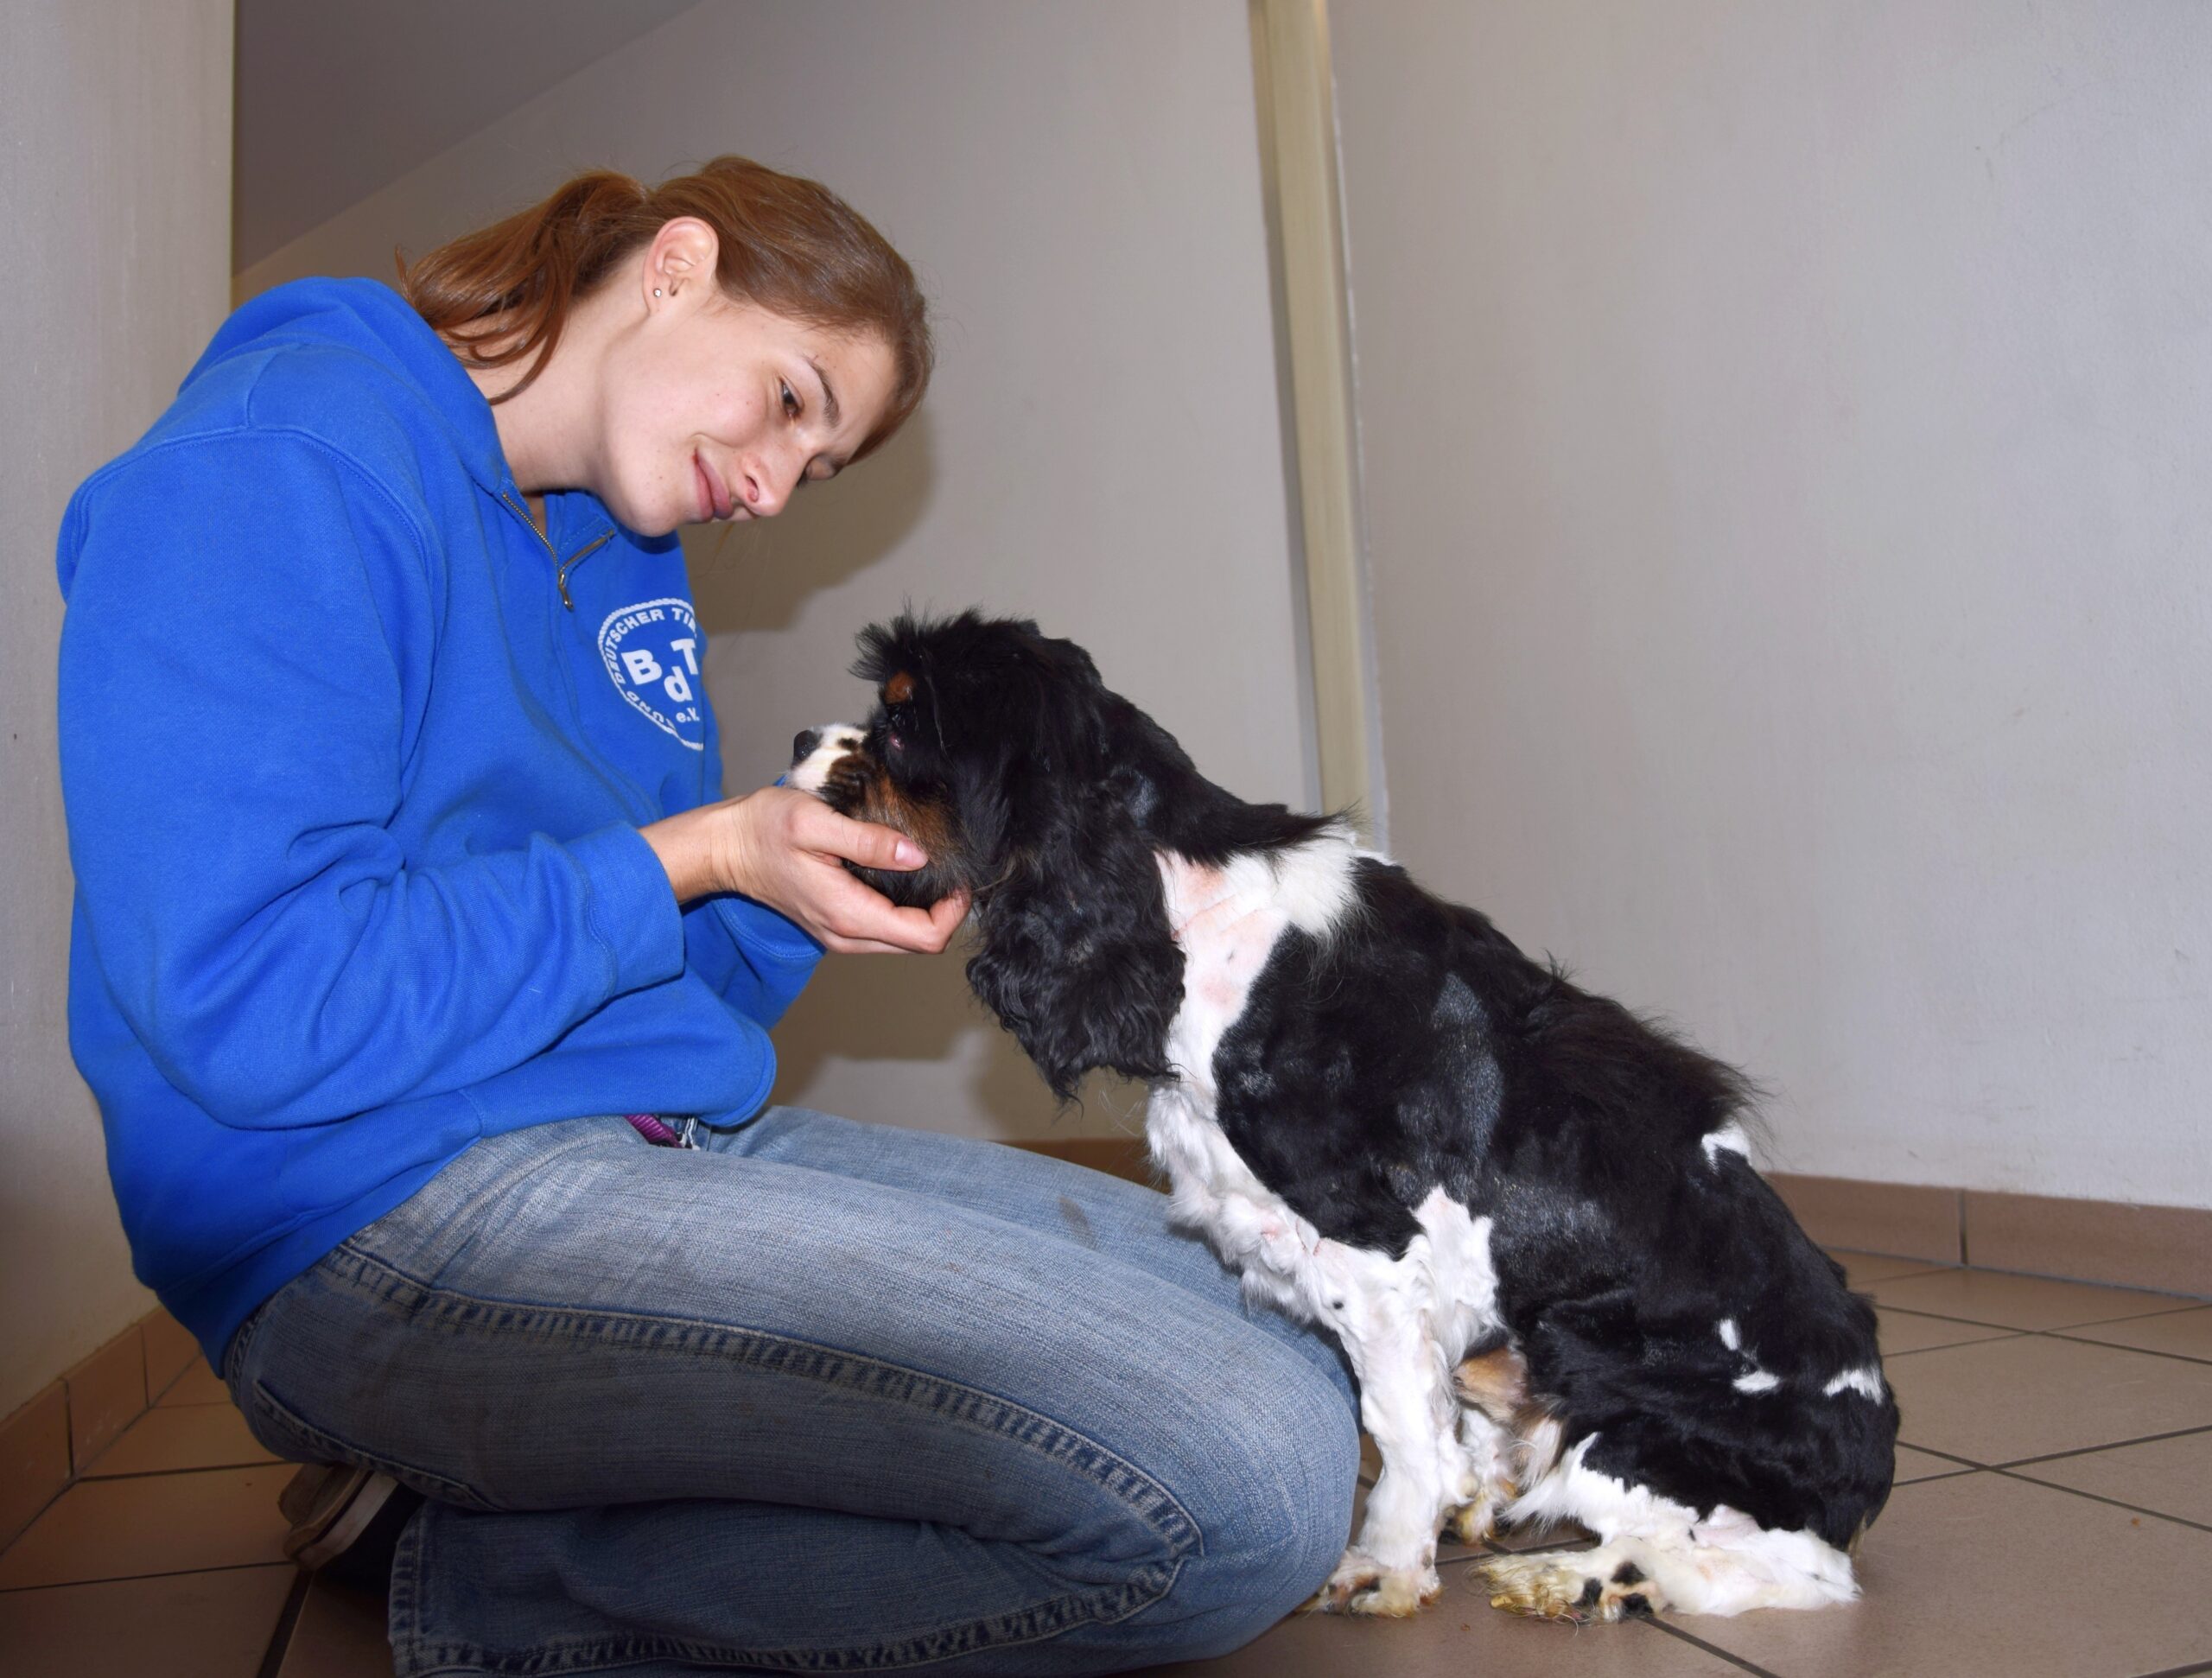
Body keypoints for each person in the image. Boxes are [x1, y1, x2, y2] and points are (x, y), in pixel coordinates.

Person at [55, 157, 1357, 1675]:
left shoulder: (625, 549)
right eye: (793, 401)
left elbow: (658, 1004)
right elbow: (255, 1006)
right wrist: (694, 853)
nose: (775, 482)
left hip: (644, 1139)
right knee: (1247, 1486)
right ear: (677, 265)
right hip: (363, 1221)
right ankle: (471, 1571)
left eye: (822, 465)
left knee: (1291, 1324)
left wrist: (791, 881)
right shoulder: (279, 458)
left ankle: (549, 1498)